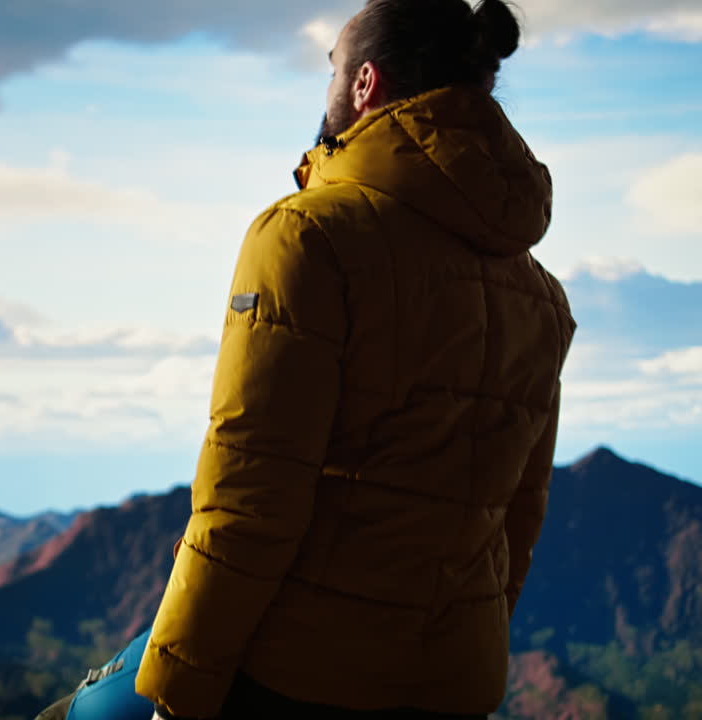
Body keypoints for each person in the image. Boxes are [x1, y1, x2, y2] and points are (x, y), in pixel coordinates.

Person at [132, 1, 578, 719]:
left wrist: (179, 697)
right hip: (456, 681)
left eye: (333, 72)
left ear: (366, 83)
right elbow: (517, 518)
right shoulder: (541, 295)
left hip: (303, 679)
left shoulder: (306, 236)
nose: (330, 90)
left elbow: (252, 493)